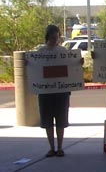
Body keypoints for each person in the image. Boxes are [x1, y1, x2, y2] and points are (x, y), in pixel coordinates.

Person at [37, 25, 80, 157]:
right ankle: (51, 148)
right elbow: (36, 70)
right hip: (45, 91)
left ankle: (60, 147)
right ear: (47, 37)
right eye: (52, 37)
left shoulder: (63, 51)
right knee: (47, 121)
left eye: (57, 37)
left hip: (61, 91)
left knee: (61, 120)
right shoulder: (40, 51)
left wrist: (78, 62)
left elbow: (70, 68)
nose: (55, 39)